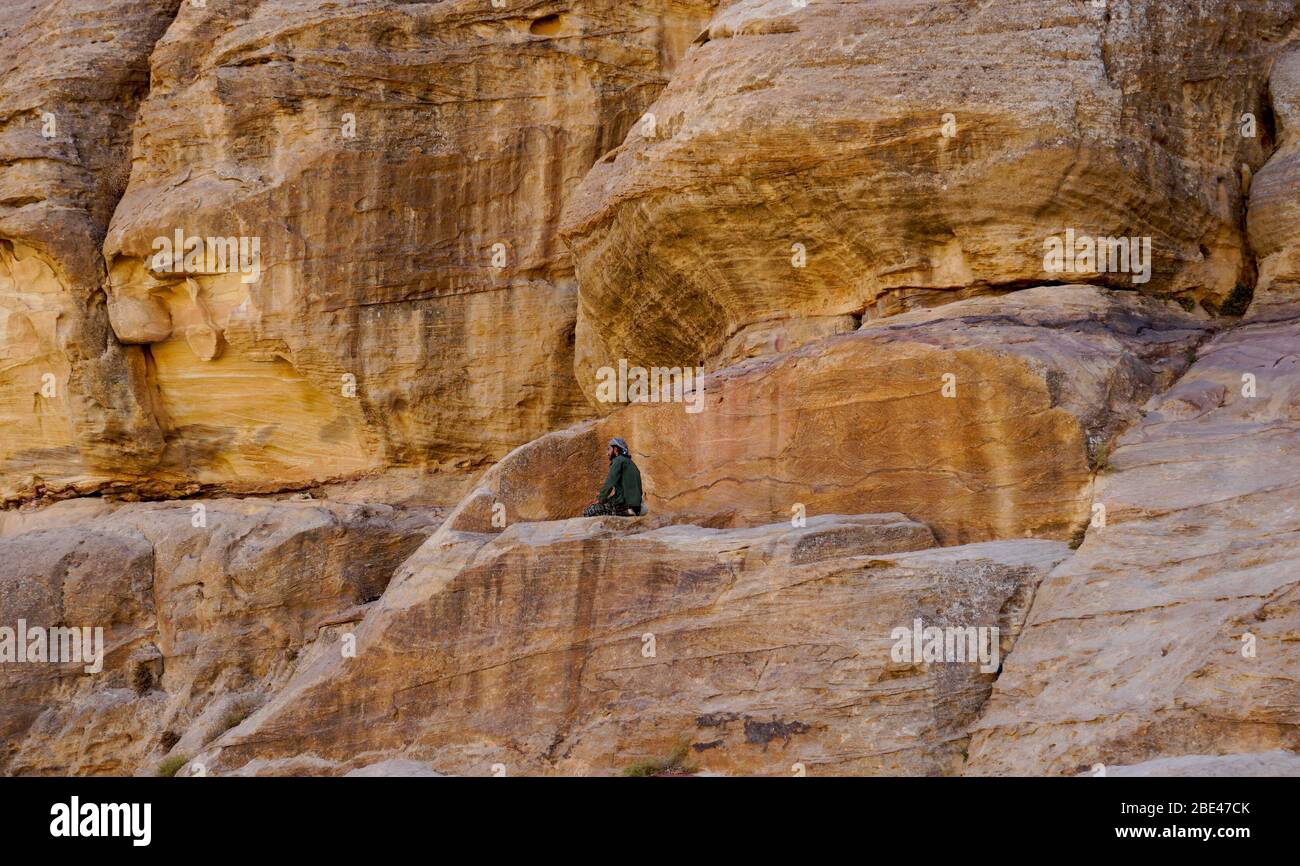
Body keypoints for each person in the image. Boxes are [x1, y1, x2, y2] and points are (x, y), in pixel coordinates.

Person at [583, 437, 643, 517]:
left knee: (589, 511)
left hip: (625, 503)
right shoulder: (630, 463)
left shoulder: (618, 460)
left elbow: (609, 483)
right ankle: (629, 512)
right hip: (637, 505)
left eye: (609, 449)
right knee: (607, 504)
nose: (607, 453)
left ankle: (626, 512)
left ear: (615, 449)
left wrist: (600, 499)